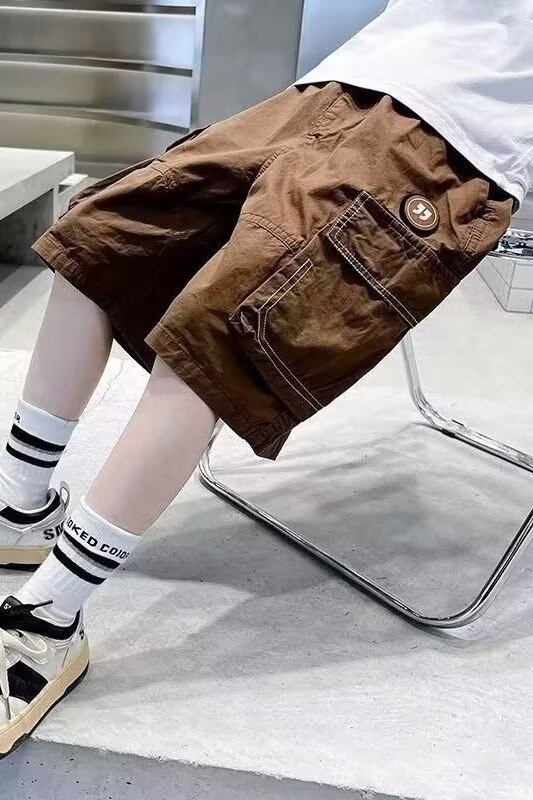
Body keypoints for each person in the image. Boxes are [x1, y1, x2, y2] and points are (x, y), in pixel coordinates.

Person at [0, 0, 530, 757]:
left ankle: (48, 620)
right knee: (97, 241)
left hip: (453, 144)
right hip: (340, 85)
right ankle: (19, 506)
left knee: (218, 337)